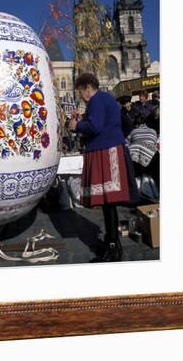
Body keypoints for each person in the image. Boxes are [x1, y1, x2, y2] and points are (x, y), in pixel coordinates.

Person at [69, 73, 138, 263]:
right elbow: (104, 122)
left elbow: (96, 126)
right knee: (109, 203)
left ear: (88, 87)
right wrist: (84, 118)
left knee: (109, 202)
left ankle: (113, 247)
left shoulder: (97, 100)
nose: (81, 96)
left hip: (106, 152)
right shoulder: (105, 99)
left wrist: (77, 125)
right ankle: (112, 243)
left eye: (81, 91)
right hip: (109, 149)